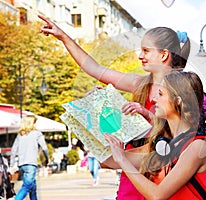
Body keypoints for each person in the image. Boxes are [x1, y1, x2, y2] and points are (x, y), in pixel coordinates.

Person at [38, 15, 191, 200]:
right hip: (133, 168)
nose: (140, 56)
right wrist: (103, 102)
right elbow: (95, 69)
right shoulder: (140, 84)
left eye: (146, 51)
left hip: (163, 172)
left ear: (164, 54)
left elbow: (182, 134)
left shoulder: (182, 88)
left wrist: (149, 118)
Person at [105, 71, 206, 199]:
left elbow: (157, 195)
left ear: (177, 101)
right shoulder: (162, 144)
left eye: (160, 94)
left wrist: (122, 159)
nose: (154, 99)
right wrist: (100, 103)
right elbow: (107, 162)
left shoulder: (197, 147)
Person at [9, 115, 49, 200]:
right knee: (27, 187)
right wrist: (47, 159)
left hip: (22, 165)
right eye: (35, 123)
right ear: (32, 123)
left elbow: (14, 149)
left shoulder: (20, 135)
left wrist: (12, 163)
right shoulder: (37, 133)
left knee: (32, 187)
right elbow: (44, 148)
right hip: (31, 164)